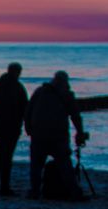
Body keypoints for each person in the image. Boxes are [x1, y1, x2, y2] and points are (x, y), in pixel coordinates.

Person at [24, 70, 89, 201]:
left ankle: (35, 191)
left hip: (39, 135)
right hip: (58, 136)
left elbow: (28, 111)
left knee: (36, 165)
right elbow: (75, 116)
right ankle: (74, 192)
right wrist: (80, 132)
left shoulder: (39, 92)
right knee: (65, 165)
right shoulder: (66, 94)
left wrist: (29, 129)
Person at [0, 62, 29, 195]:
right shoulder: (17, 86)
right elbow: (24, 107)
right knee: (7, 156)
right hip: (11, 125)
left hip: (0, 125)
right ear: (17, 72)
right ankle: (4, 186)